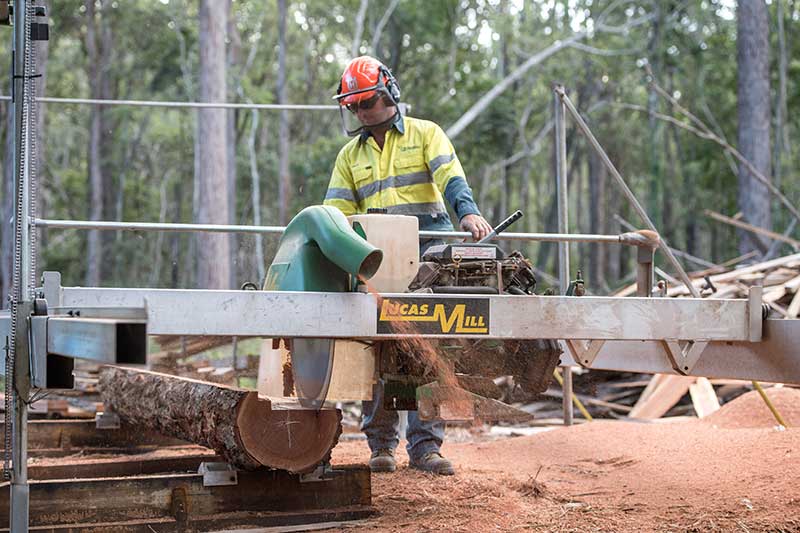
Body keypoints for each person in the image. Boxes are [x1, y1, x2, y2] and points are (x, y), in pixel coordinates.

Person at [323, 56, 492, 476]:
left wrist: (467, 213)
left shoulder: (425, 135)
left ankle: (425, 449)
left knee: (426, 351)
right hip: (375, 261)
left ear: (389, 95)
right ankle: (380, 445)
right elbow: (336, 213)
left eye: (368, 103)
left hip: (427, 258)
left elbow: (451, 177)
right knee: (378, 353)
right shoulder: (350, 155)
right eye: (356, 107)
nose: (362, 113)